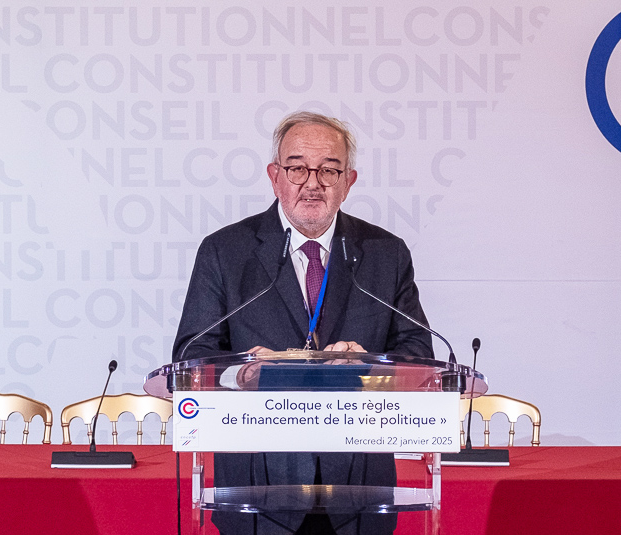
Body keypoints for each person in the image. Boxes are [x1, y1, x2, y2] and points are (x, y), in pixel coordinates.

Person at [173, 111, 434, 535]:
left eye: (329, 170)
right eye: (297, 168)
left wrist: (367, 364)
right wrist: (243, 371)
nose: (312, 183)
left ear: (349, 182)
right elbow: (190, 356)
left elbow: (419, 356)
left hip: (359, 485)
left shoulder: (385, 253)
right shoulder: (225, 251)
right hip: (257, 489)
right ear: (275, 176)